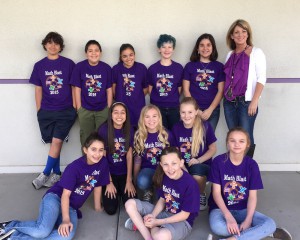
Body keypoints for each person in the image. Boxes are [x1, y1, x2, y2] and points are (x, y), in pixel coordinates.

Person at [0, 132, 110, 240]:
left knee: (67, 235)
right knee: (42, 231)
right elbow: (65, 195)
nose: (97, 154)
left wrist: (97, 207)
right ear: (85, 150)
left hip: (71, 207)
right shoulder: (74, 168)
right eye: (93, 149)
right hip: (56, 198)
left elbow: (98, 185)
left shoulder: (103, 163)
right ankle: (8, 226)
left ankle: (14, 237)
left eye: (101, 150)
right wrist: (66, 220)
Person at [207, 127, 292, 240]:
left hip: (243, 208)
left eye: (241, 141)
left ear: (247, 144)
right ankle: (263, 232)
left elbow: (252, 196)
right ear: (227, 143)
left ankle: (232, 238)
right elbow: (216, 193)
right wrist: (228, 217)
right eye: (232, 140)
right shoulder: (218, 162)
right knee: (217, 227)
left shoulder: (252, 165)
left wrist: (248, 219)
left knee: (270, 223)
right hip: (220, 209)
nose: (237, 144)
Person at [30, 32, 77, 189]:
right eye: (49, 43)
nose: (52, 46)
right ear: (45, 45)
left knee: (57, 141)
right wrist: (39, 111)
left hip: (65, 110)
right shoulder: (39, 65)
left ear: (60, 47)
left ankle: (45, 173)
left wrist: (75, 108)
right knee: (54, 143)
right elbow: (38, 90)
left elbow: (74, 87)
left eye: (56, 43)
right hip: (46, 111)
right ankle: (56, 173)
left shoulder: (69, 64)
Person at [124, 147, 200, 240]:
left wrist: (157, 222)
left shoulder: (190, 184)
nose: (170, 168)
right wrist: (153, 215)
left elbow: (184, 215)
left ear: (181, 163)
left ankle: (143, 225)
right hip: (165, 212)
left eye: (174, 163)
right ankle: (148, 237)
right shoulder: (165, 176)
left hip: (182, 222)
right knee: (130, 204)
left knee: (160, 236)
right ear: (161, 165)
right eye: (165, 164)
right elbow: (162, 199)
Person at [223, 19, 266, 158]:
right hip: (229, 102)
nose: (240, 34)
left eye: (243, 31)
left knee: (245, 137)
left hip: (246, 102)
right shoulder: (229, 55)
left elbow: (261, 78)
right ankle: (235, 168)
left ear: (248, 34)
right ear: (232, 36)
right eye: (236, 32)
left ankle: (247, 169)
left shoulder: (256, 52)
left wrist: (254, 101)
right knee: (233, 137)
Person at [172, 97, 217, 211]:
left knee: (196, 172)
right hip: (183, 164)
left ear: (196, 112)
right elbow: (176, 152)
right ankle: (188, 191)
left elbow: (213, 149)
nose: (187, 116)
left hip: (201, 165)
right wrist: (182, 168)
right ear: (179, 112)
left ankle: (200, 193)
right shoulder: (176, 128)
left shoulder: (205, 126)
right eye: (183, 112)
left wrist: (199, 160)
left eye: (190, 112)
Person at [71, 40, 113, 146]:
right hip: (85, 109)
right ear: (86, 53)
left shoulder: (106, 68)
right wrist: (79, 108)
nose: (93, 53)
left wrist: (108, 108)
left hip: (102, 109)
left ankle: (102, 162)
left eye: (96, 50)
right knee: (86, 137)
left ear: (100, 52)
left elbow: (109, 90)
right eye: (90, 51)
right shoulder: (79, 67)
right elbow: (77, 88)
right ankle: (86, 161)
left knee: (103, 137)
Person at [98, 102, 136, 215]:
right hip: (109, 174)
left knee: (132, 205)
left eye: (122, 113)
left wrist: (129, 180)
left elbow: (129, 156)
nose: (119, 116)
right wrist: (108, 182)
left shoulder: (130, 129)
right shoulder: (104, 130)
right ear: (110, 115)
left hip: (124, 174)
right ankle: (113, 190)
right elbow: (102, 158)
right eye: (116, 112)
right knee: (110, 209)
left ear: (126, 115)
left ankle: (121, 189)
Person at [183, 33, 225, 131]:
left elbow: (221, 91)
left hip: (212, 110)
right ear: (197, 49)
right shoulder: (190, 66)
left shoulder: (219, 67)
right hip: (192, 111)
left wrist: (210, 110)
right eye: (202, 45)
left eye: (208, 45)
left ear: (213, 48)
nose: (205, 48)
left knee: (208, 140)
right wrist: (196, 110)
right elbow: (186, 90)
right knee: (192, 139)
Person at [134, 104, 173, 202]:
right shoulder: (139, 136)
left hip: (163, 170)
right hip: (148, 169)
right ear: (143, 119)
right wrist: (135, 178)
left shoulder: (166, 134)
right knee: (142, 181)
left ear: (159, 118)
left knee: (158, 198)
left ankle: (157, 191)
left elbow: (174, 156)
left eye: (154, 116)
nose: (151, 120)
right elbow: (138, 159)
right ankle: (148, 190)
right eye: (147, 116)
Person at [148, 34, 183, 130]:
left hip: (174, 108)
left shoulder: (178, 68)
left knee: (174, 134)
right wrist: (159, 99)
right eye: (163, 47)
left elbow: (179, 89)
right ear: (159, 49)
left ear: (173, 49)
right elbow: (150, 89)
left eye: (169, 47)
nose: (166, 50)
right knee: (160, 135)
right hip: (157, 108)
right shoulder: (153, 68)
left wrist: (170, 98)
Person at [112, 44, 148, 129]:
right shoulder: (116, 69)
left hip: (138, 108)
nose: (128, 58)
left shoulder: (141, 68)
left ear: (134, 55)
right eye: (125, 56)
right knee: (124, 133)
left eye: (131, 55)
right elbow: (113, 88)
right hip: (122, 108)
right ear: (121, 57)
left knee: (138, 133)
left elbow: (146, 88)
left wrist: (136, 96)